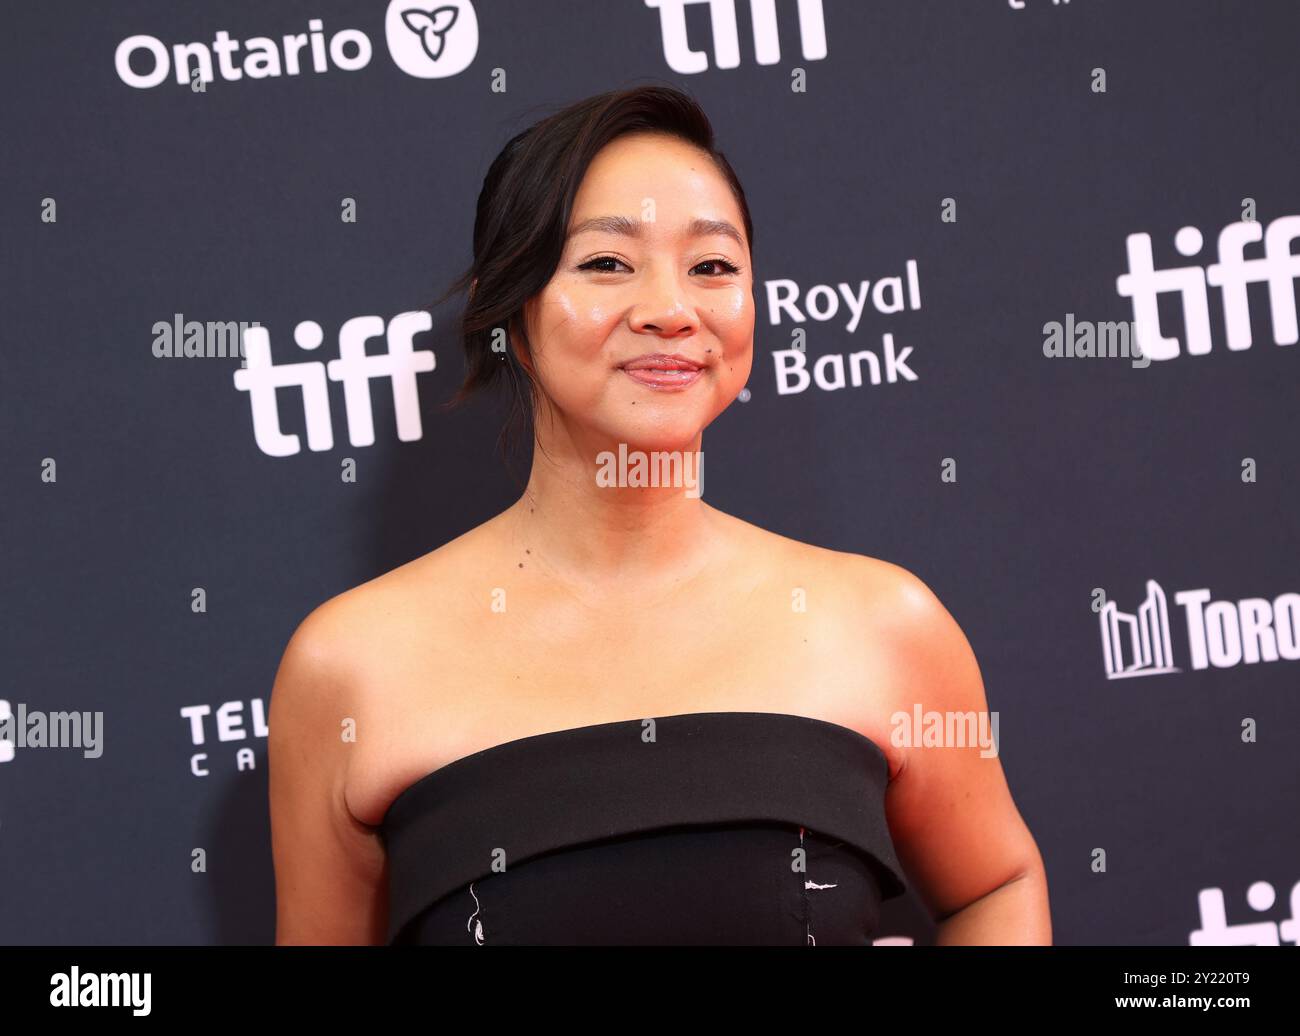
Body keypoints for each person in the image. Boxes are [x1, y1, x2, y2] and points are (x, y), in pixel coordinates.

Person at [269, 84, 1051, 945]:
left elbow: (997, 883)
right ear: (511, 312)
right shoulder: (352, 667)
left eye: (713, 266)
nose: (671, 310)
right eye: (607, 263)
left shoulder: (882, 625)